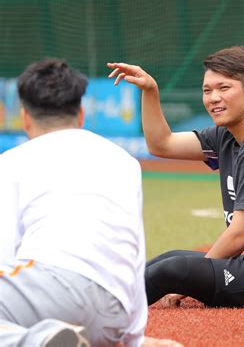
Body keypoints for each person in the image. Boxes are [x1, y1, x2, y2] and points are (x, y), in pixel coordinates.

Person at [107, 46, 244, 309]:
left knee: (175, 270)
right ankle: (102, 296)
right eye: (207, 90)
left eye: (224, 88)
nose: (213, 98)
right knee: (171, 258)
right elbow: (161, 144)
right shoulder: (228, 135)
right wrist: (150, 91)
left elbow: (240, 234)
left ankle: (98, 314)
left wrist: (188, 283)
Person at [0, 59, 179, 347]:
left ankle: (35, 341)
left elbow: (4, 248)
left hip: (48, 294)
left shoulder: (10, 162)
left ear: (25, 118)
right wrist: (134, 338)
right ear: (81, 114)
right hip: (112, 314)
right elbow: (133, 248)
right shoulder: (125, 162)